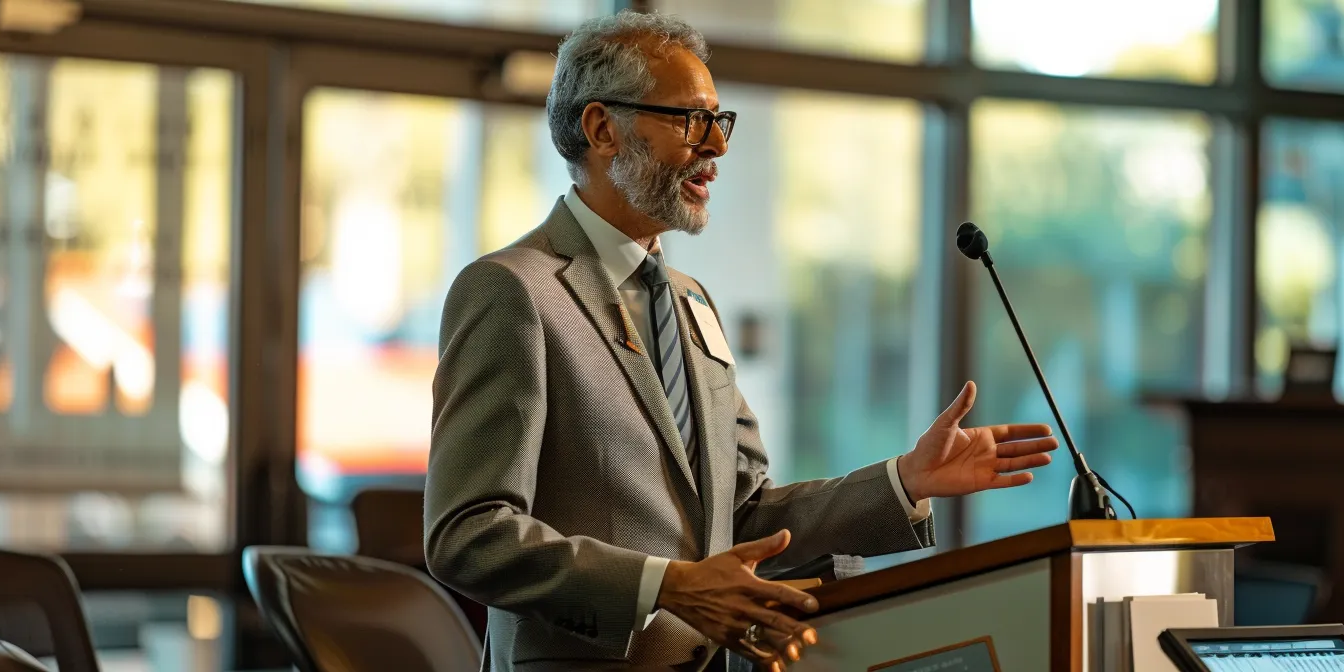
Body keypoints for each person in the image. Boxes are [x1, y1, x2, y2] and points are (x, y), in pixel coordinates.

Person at [424, 11, 1059, 671]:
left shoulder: (691, 301)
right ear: (601, 128)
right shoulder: (512, 292)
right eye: (688, 119)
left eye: (719, 121)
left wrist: (903, 481)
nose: (716, 147)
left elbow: (743, 514)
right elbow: (469, 535)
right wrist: (667, 585)